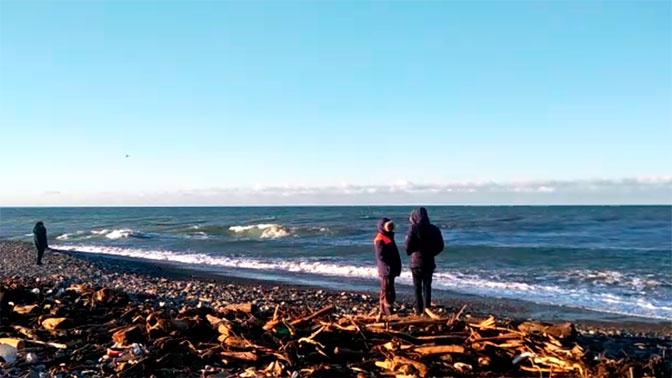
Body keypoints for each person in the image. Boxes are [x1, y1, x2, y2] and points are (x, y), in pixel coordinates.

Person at [404, 207, 444, 315]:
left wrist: (411, 252)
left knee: (417, 286)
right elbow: (440, 246)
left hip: (416, 261)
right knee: (427, 286)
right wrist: (431, 253)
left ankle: (418, 309)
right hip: (429, 261)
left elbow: (407, 245)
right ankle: (427, 309)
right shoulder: (434, 229)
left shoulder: (414, 228)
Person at [374, 217, 402, 316]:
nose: (390, 228)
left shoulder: (388, 236)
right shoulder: (380, 238)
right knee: (387, 290)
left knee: (387, 289)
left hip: (389, 268)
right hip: (386, 269)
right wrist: (389, 265)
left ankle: (383, 310)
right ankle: (388, 311)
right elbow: (380, 256)